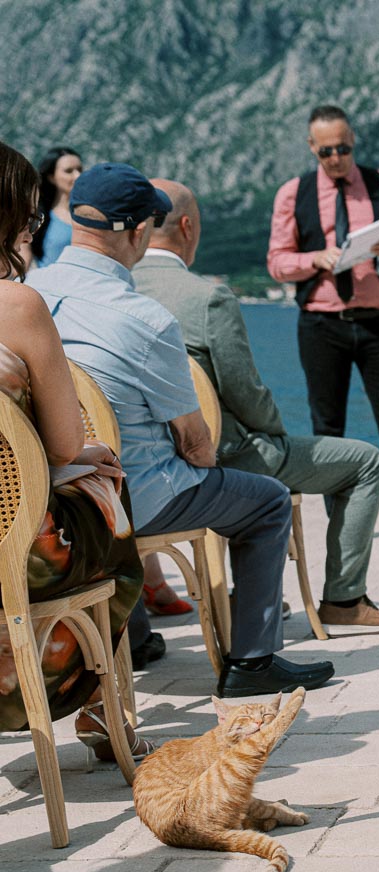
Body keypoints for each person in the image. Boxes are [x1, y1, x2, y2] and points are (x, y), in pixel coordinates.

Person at [26, 162, 336, 698]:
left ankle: (138, 636)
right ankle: (253, 662)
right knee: (265, 502)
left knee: (135, 478)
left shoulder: (28, 295)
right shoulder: (144, 320)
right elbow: (195, 445)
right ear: (139, 231)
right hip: (129, 499)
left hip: (56, 493)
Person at [136, 179, 379, 635]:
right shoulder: (206, 297)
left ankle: (252, 594)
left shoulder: (114, 292)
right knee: (364, 461)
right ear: (187, 227)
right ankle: (344, 598)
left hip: (140, 466)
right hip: (221, 456)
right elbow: (243, 391)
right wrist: (275, 432)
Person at [0, 140, 149, 760]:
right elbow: (63, 443)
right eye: (33, 218)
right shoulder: (19, 306)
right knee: (110, 498)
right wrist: (88, 454)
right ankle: (97, 708)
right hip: (16, 544)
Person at [266, 104, 379, 544]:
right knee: (327, 425)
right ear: (312, 148)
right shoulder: (293, 192)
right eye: (326, 151)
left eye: (342, 148)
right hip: (322, 323)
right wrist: (315, 259)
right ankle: (339, 518)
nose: (335, 158)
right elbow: (276, 262)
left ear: (354, 140)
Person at [32, 147, 82, 267]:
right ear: (51, 177)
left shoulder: (93, 212)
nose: (77, 176)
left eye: (80, 169)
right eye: (69, 171)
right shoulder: (38, 216)